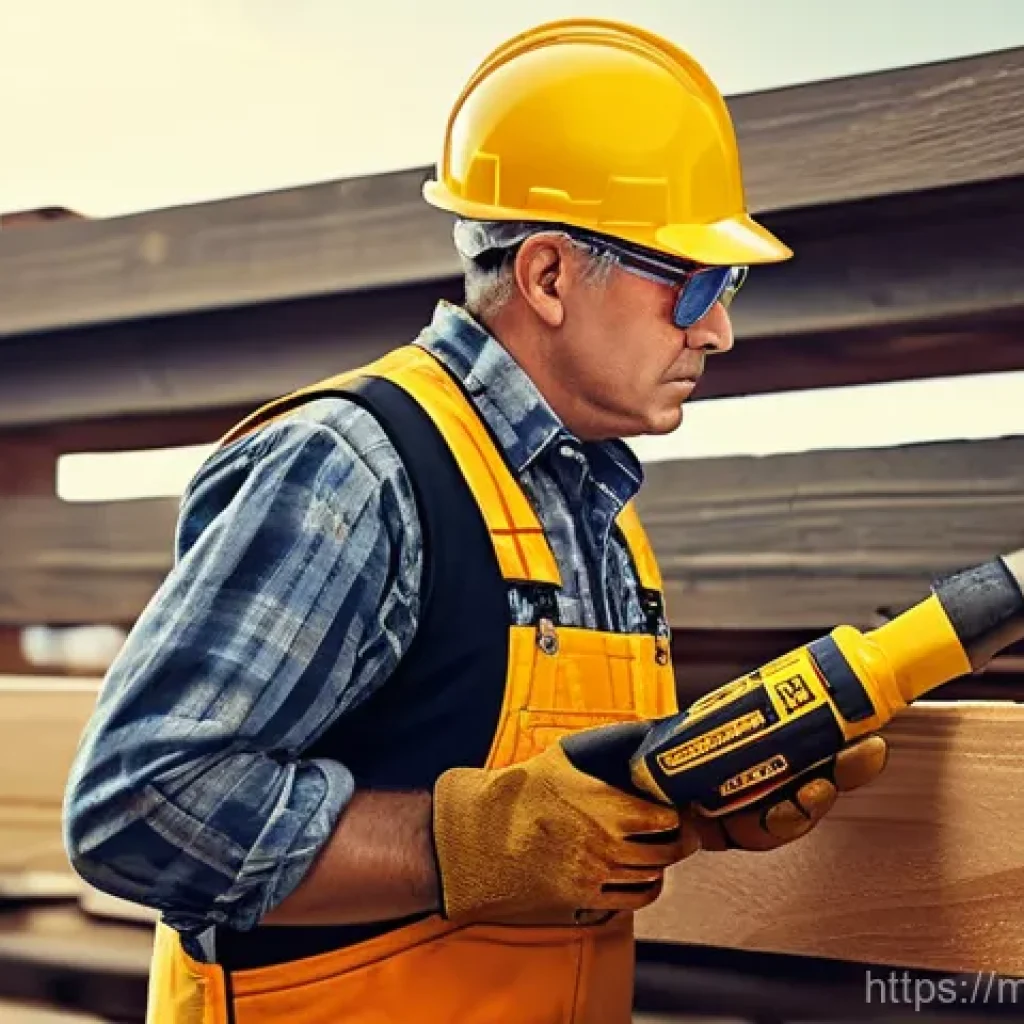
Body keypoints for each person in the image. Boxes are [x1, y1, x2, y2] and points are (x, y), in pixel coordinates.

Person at [63, 17, 888, 1024]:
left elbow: (558, 813)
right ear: (545, 275)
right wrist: (466, 845)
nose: (718, 327)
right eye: (695, 284)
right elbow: (139, 808)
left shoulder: (595, 508)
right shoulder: (354, 468)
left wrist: (696, 800)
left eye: (730, 285)